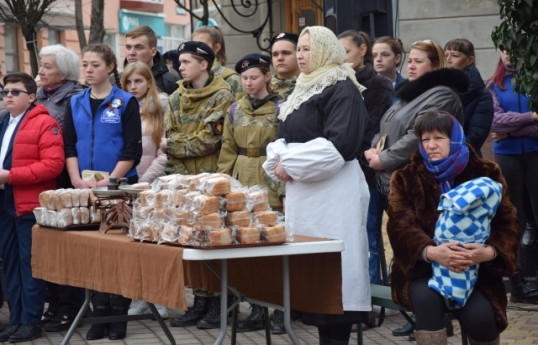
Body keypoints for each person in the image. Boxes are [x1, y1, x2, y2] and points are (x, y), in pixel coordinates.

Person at [263, 26, 370, 344]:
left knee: (336, 278)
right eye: (300, 49)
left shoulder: (341, 86)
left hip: (334, 196)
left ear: (326, 50)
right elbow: (282, 139)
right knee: (315, 278)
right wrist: (279, 163)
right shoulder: (303, 87)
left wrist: (290, 163)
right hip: (305, 194)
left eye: (307, 49)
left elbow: (341, 146)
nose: (300, 55)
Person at [363, 40, 468, 340]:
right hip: (397, 179)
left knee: (426, 247)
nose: (411, 65)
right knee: (406, 247)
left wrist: (383, 159)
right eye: (410, 60)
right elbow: (385, 128)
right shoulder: (410, 94)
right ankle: (419, 313)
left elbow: (416, 136)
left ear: (435, 66)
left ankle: (437, 317)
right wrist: (374, 150)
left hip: (426, 183)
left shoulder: (443, 95)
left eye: (419, 61)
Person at [387, 110, 519, 345]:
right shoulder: (406, 177)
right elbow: (399, 225)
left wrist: (487, 253)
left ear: (455, 138)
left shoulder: (486, 172)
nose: (431, 146)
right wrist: (431, 252)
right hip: (422, 269)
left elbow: (508, 222)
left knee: (482, 319)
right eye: (425, 140)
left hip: (475, 270)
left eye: (438, 138)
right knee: (427, 302)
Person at [63, 43, 142, 341]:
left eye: (95, 64)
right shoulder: (75, 102)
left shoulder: (125, 102)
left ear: (110, 67)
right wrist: (75, 178)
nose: (88, 70)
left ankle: (118, 314)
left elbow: (132, 148)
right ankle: (99, 313)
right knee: (92, 253)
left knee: (117, 252)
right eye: (85, 64)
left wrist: (110, 181)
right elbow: (69, 145)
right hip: (84, 187)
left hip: (118, 188)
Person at [167, 41, 235, 329]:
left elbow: (211, 140)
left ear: (204, 64)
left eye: (185, 62)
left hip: (211, 179)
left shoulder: (222, 95)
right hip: (185, 180)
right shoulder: (175, 97)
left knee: (215, 243)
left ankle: (222, 303)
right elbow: (170, 137)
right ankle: (200, 302)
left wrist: (175, 146)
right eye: (179, 62)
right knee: (193, 242)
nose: (179, 67)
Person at [216, 54, 282, 333]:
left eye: (254, 77)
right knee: (248, 245)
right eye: (244, 78)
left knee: (275, 245)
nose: (249, 83)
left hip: (269, 175)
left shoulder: (281, 107)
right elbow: (227, 149)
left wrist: (283, 187)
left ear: (267, 76)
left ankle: (281, 310)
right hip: (242, 173)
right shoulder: (234, 109)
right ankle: (256, 309)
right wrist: (225, 183)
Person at [0, 72, 64, 343]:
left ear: (31, 96)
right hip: (5, 204)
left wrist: (9, 176)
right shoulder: (4, 122)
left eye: (16, 92)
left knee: (30, 265)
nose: (9, 96)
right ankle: (16, 319)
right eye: (6, 92)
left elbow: (52, 166)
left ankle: (31, 322)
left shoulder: (45, 123)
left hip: (28, 206)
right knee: (10, 264)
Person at [35, 44, 87, 332]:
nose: (41, 71)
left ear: (64, 72)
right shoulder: (38, 96)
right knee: (47, 245)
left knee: (67, 246)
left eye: (48, 67)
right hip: (42, 182)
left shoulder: (76, 98)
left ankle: (72, 305)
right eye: (41, 65)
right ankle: (52, 303)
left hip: (67, 180)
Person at [338, 30, 393, 286]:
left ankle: (370, 295)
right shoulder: (337, 82)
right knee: (347, 234)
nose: (342, 58)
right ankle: (350, 289)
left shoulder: (379, 84)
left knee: (368, 233)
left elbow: (371, 130)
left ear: (362, 50)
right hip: (340, 168)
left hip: (364, 168)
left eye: (346, 52)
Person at [486, 51, 538, 304]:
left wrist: (511, 132)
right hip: (507, 158)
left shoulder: (533, 81)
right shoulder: (493, 84)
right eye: (504, 49)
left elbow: (505, 127)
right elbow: (495, 122)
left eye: (514, 48)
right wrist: (531, 117)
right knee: (513, 217)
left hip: (535, 154)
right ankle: (517, 281)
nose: (509, 55)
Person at [120, 61, 170, 318]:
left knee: (154, 245)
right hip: (126, 183)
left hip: (151, 185)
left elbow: (163, 152)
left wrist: (147, 179)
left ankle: (161, 299)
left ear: (149, 82)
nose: (133, 87)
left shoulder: (159, 107)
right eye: (128, 82)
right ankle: (138, 297)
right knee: (133, 244)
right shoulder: (119, 107)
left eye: (138, 81)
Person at [444, 39, 493, 157]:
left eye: (454, 56)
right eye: (445, 55)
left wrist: (447, 153)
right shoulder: (439, 87)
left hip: (464, 158)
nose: (448, 60)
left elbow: (476, 136)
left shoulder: (481, 94)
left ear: (469, 60)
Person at [125, 25, 179, 95]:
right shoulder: (116, 81)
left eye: (138, 47)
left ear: (153, 51)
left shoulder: (171, 82)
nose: (131, 53)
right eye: (128, 47)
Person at [191, 25, 243, 97]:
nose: (197, 50)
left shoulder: (231, 79)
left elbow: (240, 106)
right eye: (193, 46)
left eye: (203, 46)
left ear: (216, 47)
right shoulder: (189, 77)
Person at [372, 36, 406, 103]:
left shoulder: (408, 88)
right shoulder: (364, 87)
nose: (378, 59)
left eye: (385, 54)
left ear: (397, 58)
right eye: (374, 55)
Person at [269, 32, 300, 99]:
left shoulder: (310, 86)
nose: (280, 58)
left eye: (286, 53)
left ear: (299, 55)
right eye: (275, 54)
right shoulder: (263, 88)